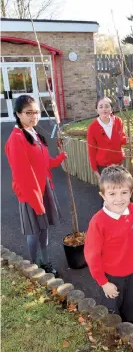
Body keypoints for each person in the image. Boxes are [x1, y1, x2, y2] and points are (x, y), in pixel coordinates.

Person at [84, 165, 133, 323]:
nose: (119, 199)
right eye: (112, 193)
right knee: (111, 312)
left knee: (130, 306)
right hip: (111, 277)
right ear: (103, 195)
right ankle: (113, 337)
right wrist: (103, 283)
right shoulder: (98, 222)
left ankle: (129, 332)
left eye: (124, 192)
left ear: (131, 192)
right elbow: (92, 256)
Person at [5, 95, 67, 275]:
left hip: (43, 188)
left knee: (44, 228)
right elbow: (23, 176)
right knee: (34, 231)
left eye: (36, 112)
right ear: (18, 114)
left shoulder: (33, 133)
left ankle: (45, 261)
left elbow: (44, 162)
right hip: (31, 194)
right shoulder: (16, 139)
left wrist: (60, 158)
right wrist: (37, 202)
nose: (34, 116)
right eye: (28, 112)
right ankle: (33, 267)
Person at [87, 97, 128, 181]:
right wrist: (95, 170)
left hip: (118, 164)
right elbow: (91, 150)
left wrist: (127, 140)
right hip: (103, 167)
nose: (104, 109)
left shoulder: (118, 121)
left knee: (120, 188)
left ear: (111, 109)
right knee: (109, 192)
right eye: (101, 107)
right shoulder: (92, 127)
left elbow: (121, 139)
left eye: (107, 106)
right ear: (97, 110)